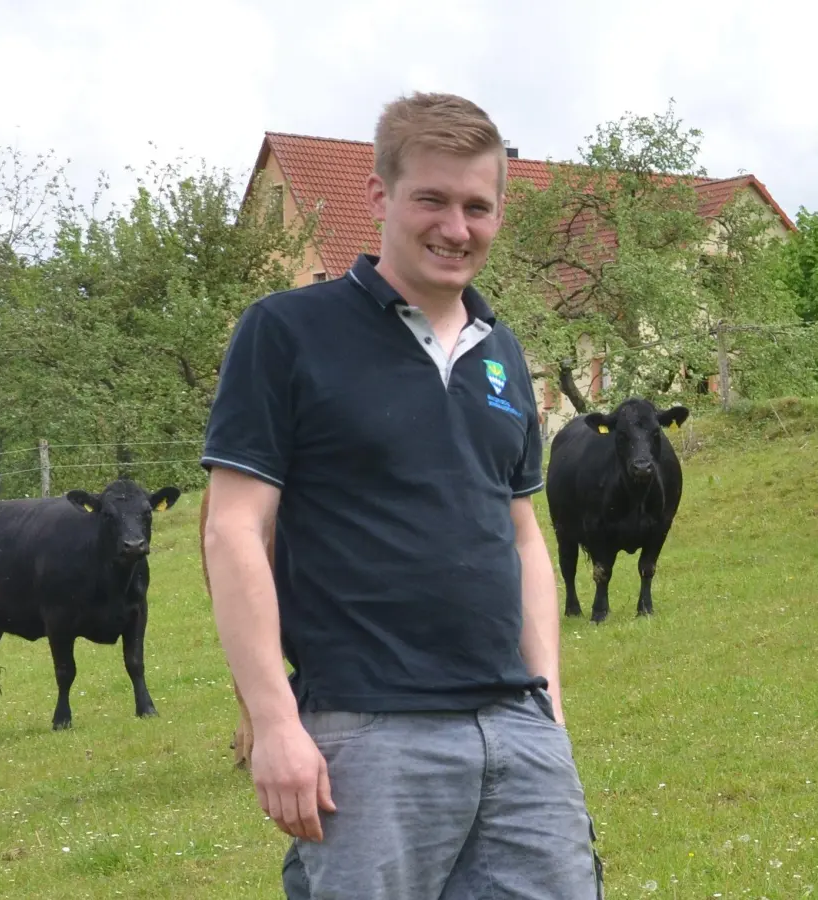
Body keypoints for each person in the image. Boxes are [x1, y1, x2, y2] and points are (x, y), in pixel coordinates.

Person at [201, 91, 602, 899]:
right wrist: (275, 721)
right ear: (380, 197)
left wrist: (548, 701)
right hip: (368, 731)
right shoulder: (286, 331)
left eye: (477, 207)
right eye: (433, 199)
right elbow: (233, 529)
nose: (456, 227)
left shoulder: (504, 354)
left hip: (517, 731)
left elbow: (522, 534)